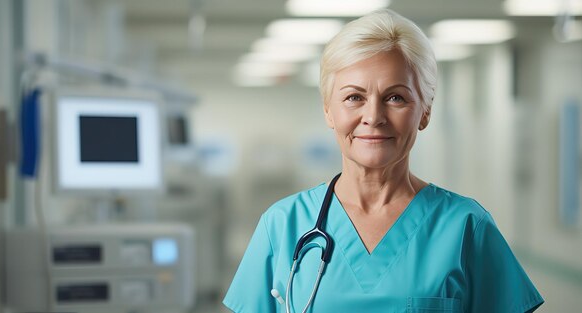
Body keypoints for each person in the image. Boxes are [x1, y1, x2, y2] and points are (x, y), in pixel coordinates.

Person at [223, 9, 544, 313]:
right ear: (328, 111)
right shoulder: (282, 225)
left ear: (425, 112)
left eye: (396, 97)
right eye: (354, 98)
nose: (374, 117)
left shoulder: (466, 227)